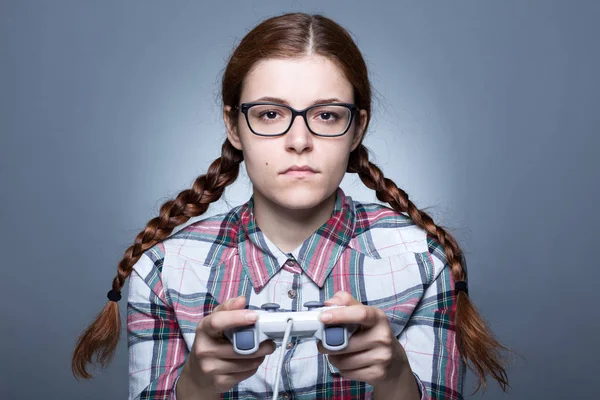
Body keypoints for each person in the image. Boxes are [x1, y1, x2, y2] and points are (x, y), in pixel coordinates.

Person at [72, 12, 510, 400]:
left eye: (326, 115)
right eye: (269, 114)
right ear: (234, 126)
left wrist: (395, 379)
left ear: (357, 128)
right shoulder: (163, 271)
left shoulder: (423, 264)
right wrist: (195, 390)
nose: (299, 141)